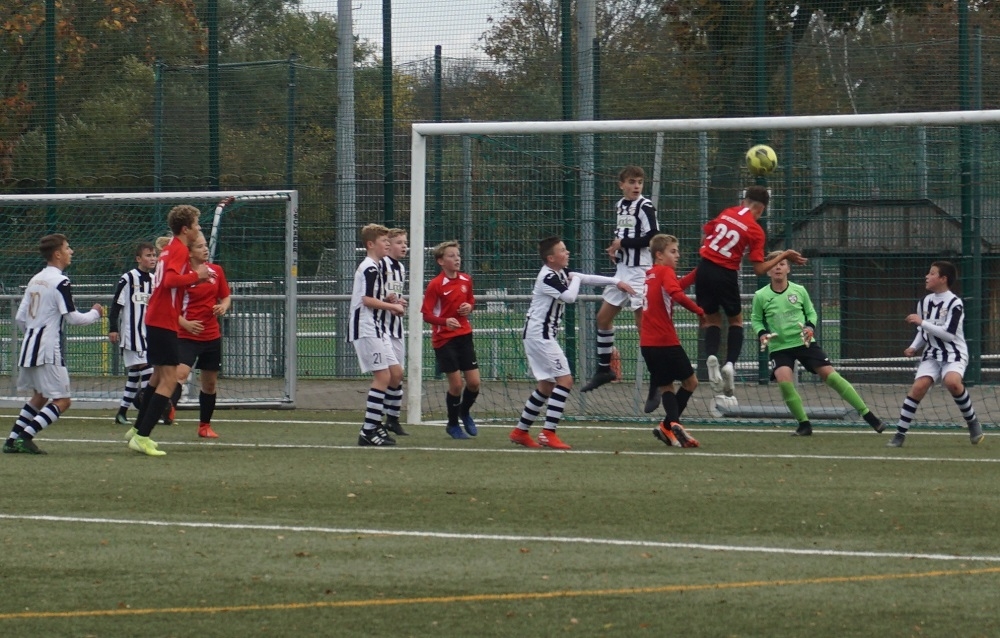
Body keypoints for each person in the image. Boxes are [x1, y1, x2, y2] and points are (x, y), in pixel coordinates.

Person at [510, 236, 636, 450]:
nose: (567, 252)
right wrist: (576, 278)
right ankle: (548, 433)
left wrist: (616, 282)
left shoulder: (559, 273)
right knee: (565, 380)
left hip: (539, 336)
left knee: (546, 385)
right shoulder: (548, 277)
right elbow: (569, 297)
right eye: (562, 250)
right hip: (540, 336)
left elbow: (586, 278)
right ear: (551, 258)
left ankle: (520, 431)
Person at [751, 252, 885, 437]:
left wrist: (809, 327)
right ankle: (804, 425)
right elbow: (756, 319)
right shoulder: (761, 295)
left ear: (788, 268)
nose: (778, 267)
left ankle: (869, 416)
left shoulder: (799, 290)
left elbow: (811, 313)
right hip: (780, 347)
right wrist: (762, 334)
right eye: (774, 264)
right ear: (768, 271)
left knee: (831, 376)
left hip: (803, 343)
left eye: (782, 264)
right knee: (784, 382)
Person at [695, 185, 806, 397]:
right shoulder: (755, 230)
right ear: (761, 209)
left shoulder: (727, 212)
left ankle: (711, 356)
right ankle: (729, 364)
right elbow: (759, 269)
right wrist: (783, 255)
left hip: (704, 269)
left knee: (712, 320)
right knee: (736, 321)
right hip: (726, 274)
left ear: (743, 201)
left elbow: (704, 238)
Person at [3, 234, 103, 455]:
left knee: (40, 395)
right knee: (63, 400)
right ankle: (25, 437)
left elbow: (20, 318)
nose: (71, 251)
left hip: (29, 347)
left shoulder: (35, 279)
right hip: (48, 349)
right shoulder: (61, 282)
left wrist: (34, 335)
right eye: (68, 248)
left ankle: (11, 440)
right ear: (57, 254)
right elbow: (73, 318)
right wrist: (95, 313)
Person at [125, 205, 209, 456]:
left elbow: (168, 281)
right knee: (169, 380)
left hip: (159, 318)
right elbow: (171, 281)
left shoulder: (171, 248)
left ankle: (137, 428)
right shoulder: (179, 250)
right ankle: (143, 436)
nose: (199, 229)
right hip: (163, 320)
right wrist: (196, 275)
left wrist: (195, 276)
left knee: (157, 378)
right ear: (185, 229)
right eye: (196, 225)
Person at [887, 261, 984, 447]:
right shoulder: (924, 302)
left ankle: (972, 422)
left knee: (952, 382)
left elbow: (948, 335)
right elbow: (923, 332)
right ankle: (899, 434)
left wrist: (922, 322)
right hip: (932, 354)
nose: (927, 276)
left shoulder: (955, 303)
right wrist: (914, 346)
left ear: (943, 279)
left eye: (932, 273)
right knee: (918, 387)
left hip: (954, 354)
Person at [580, 165, 658, 393]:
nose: (636, 186)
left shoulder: (645, 206)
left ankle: (657, 378)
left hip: (640, 271)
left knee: (643, 326)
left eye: (640, 182)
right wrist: (616, 249)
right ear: (621, 185)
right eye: (632, 182)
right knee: (603, 318)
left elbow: (652, 237)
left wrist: (622, 244)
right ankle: (604, 369)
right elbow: (624, 234)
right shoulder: (620, 206)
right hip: (623, 270)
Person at [165, 231, 231, 439]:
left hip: (211, 336)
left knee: (209, 384)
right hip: (186, 336)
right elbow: (169, 307)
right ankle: (168, 408)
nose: (205, 249)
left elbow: (226, 296)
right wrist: (185, 323)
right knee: (180, 374)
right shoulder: (182, 275)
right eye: (200, 246)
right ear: (190, 252)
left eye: (205, 246)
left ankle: (205, 426)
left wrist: (223, 306)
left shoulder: (216, 271)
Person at [641, 234, 704, 448]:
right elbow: (676, 293)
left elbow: (675, 287)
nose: (678, 255)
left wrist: (698, 272)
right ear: (659, 255)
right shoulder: (665, 271)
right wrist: (699, 311)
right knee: (691, 382)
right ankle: (672, 424)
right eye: (673, 251)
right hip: (665, 341)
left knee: (666, 386)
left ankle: (668, 427)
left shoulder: (650, 274)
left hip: (647, 344)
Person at [348, 224, 405, 447]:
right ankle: (368, 430)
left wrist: (390, 300)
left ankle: (376, 424)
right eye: (384, 241)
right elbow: (366, 300)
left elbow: (373, 297)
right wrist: (392, 307)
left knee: (395, 373)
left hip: (377, 327)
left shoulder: (377, 267)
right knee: (382, 377)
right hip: (366, 328)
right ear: (371, 244)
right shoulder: (370, 268)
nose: (388, 245)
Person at [421, 240, 480, 439]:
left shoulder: (466, 280)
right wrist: (445, 321)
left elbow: (470, 300)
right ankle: (453, 424)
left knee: (474, 383)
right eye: (451, 256)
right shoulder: (435, 285)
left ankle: (464, 412)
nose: (457, 259)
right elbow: (426, 314)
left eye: (458, 255)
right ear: (441, 261)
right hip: (444, 340)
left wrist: (469, 307)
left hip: (464, 336)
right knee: (456, 385)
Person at [108, 241, 156, 426]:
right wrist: (113, 328)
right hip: (132, 335)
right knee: (148, 370)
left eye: (154, 255)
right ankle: (146, 413)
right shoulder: (128, 278)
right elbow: (116, 305)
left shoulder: (154, 280)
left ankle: (122, 413)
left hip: (147, 334)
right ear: (138, 259)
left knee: (135, 374)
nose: (152, 259)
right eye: (148, 255)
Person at [381, 228, 409, 436]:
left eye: (405, 242)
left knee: (399, 374)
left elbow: (395, 294)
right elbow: (373, 294)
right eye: (399, 242)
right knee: (391, 373)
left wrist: (400, 302)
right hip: (380, 327)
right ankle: (379, 416)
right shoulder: (380, 265)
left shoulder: (400, 268)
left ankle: (393, 418)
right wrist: (387, 300)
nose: (404, 246)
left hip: (396, 326)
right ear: (388, 245)